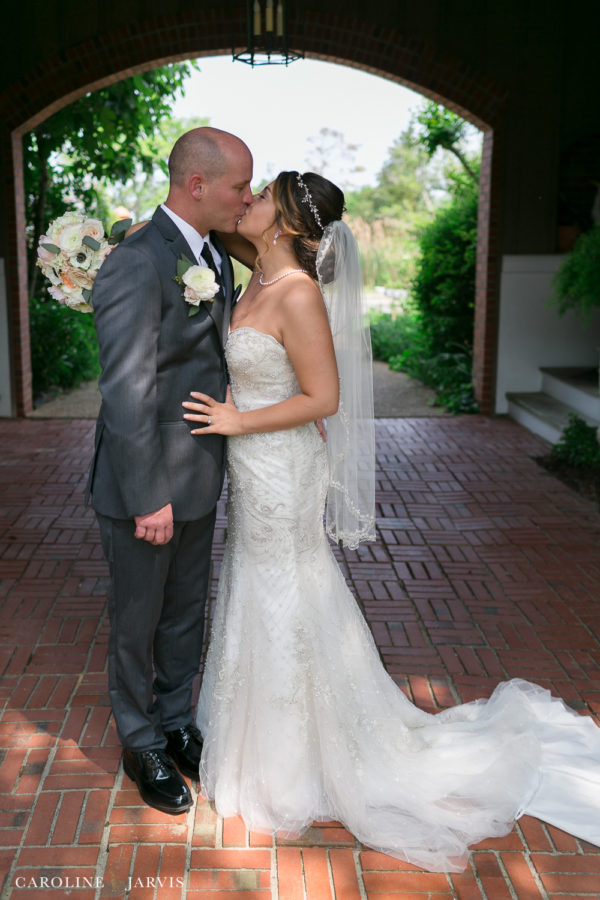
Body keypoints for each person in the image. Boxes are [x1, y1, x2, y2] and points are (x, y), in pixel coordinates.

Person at [181, 170, 600, 872]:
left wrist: (237, 418)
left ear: (284, 223)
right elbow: (203, 231)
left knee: (286, 590)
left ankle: (294, 765)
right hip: (256, 467)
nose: (245, 202)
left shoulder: (297, 292)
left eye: (260, 197)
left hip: (279, 464)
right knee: (259, 585)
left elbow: (324, 397)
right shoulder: (252, 274)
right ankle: (266, 744)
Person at [85, 127, 253, 815]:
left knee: (186, 612)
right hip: (145, 487)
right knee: (137, 618)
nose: (247, 198)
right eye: (239, 186)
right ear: (197, 186)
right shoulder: (135, 262)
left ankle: (177, 720)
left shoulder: (216, 257)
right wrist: (146, 496)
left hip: (199, 473)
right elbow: (126, 392)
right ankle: (140, 740)